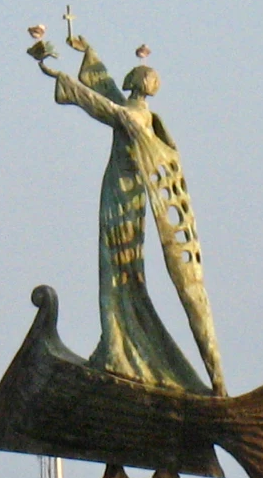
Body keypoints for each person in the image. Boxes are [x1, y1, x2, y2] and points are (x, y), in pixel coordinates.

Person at [36, 35, 226, 396]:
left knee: (117, 270)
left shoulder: (136, 118)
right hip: (123, 194)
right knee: (117, 271)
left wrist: (58, 78)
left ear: (137, 84)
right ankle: (119, 345)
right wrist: (88, 54)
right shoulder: (140, 112)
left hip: (123, 201)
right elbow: (107, 94)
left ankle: (121, 350)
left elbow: (103, 107)